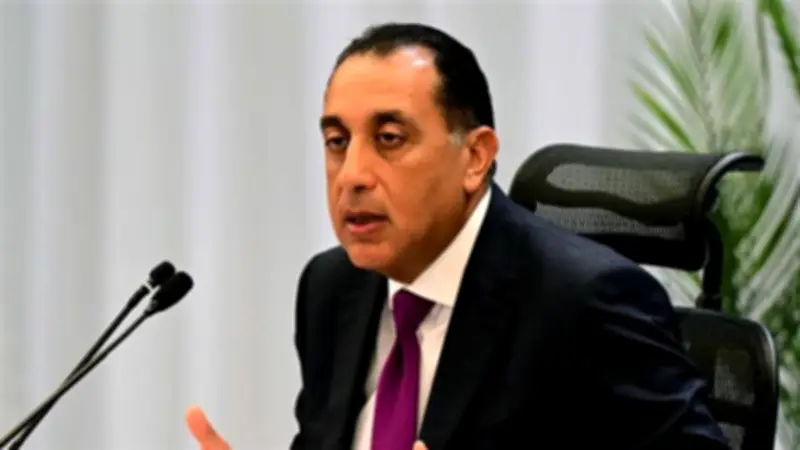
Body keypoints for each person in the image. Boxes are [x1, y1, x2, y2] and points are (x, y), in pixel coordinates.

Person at [185, 22, 731, 450]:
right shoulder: (332, 287)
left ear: (475, 157)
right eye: (337, 141)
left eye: (389, 138)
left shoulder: (585, 302)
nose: (352, 174)